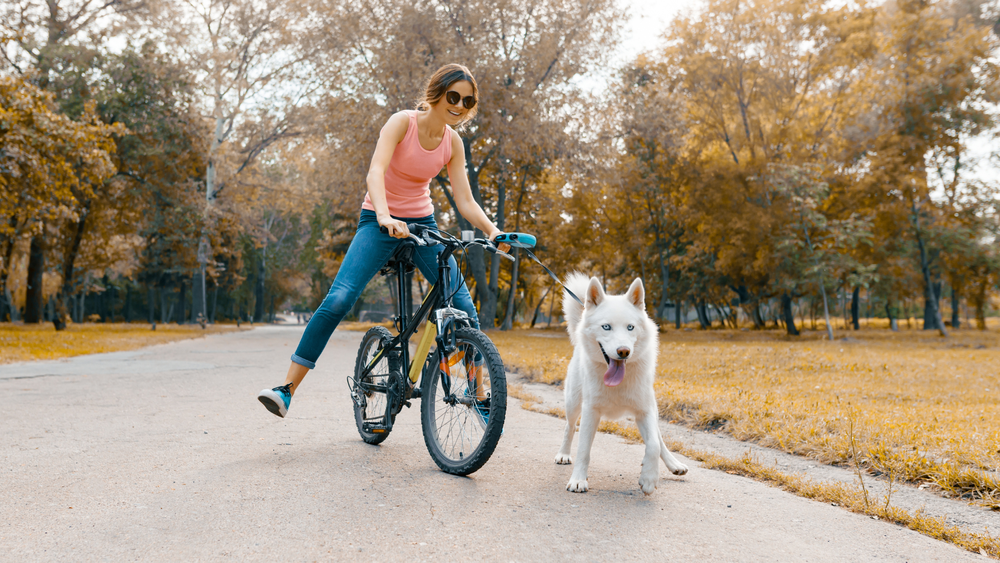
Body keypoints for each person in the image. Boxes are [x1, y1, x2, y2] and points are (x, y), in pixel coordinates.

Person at [258, 63, 507, 418]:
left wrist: (493, 231)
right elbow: (375, 171)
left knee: (464, 309)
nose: (458, 105)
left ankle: (480, 393)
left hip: (421, 223)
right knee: (340, 298)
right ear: (436, 94)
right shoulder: (401, 123)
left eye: (467, 101)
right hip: (377, 219)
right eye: (453, 96)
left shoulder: (452, 142)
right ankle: (286, 389)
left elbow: (465, 201)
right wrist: (385, 214)